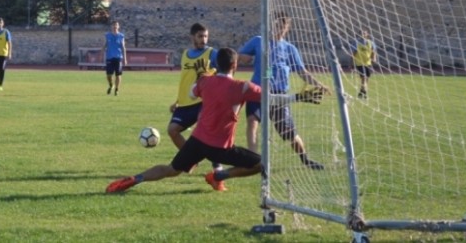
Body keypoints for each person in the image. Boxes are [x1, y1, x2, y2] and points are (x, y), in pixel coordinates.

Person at [106, 47, 325, 195]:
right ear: (235, 66)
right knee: (260, 164)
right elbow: (271, 98)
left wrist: (202, 86)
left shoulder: (205, 82)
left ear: (216, 64)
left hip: (198, 140)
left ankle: (134, 179)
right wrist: (298, 96)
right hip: (222, 148)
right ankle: (218, 175)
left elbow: (192, 94)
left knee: (172, 169)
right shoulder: (242, 87)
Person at [238, 14, 329, 169]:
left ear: (287, 29)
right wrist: (243, 57)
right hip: (258, 90)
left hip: (279, 93)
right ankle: (252, 160)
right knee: (252, 121)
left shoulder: (289, 48)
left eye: (282, 26)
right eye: (275, 24)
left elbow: (302, 71)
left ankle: (305, 160)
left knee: (289, 132)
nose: (278, 28)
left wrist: (319, 85)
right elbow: (241, 56)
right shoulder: (258, 41)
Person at [167, 22, 223, 177]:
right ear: (192, 37)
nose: (204, 39)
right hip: (185, 103)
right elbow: (185, 80)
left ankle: (217, 167)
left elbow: (225, 70)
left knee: (206, 133)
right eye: (200, 36)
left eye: (205, 36)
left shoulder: (212, 54)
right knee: (172, 131)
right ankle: (191, 160)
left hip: (203, 102)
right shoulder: (185, 54)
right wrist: (177, 100)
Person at [103, 20, 128, 96]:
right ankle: (111, 85)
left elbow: (123, 47)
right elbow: (106, 44)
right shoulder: (108, 35)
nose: (115, 26)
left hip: (118, 57)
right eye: (114, 25)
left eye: (116, 25)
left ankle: (117, 89)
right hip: (109, 57)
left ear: (118, 26)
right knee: (108, 75)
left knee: (118, 75)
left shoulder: (121, 36)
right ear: (111, 26)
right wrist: (101, 50)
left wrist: (125, 59)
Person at [353, 28, 377, 99]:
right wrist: (351, 63)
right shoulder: (356, 43)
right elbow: (353, 53)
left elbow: (373, 51)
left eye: (364, 33)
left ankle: (361, 92)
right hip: (359, 63)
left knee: (366, 79)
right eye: (361, 33)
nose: (362, 35)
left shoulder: (371, 43)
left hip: (368, 63)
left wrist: (374, 58)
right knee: (363, 78)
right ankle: (365, 93)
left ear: (367, 34)